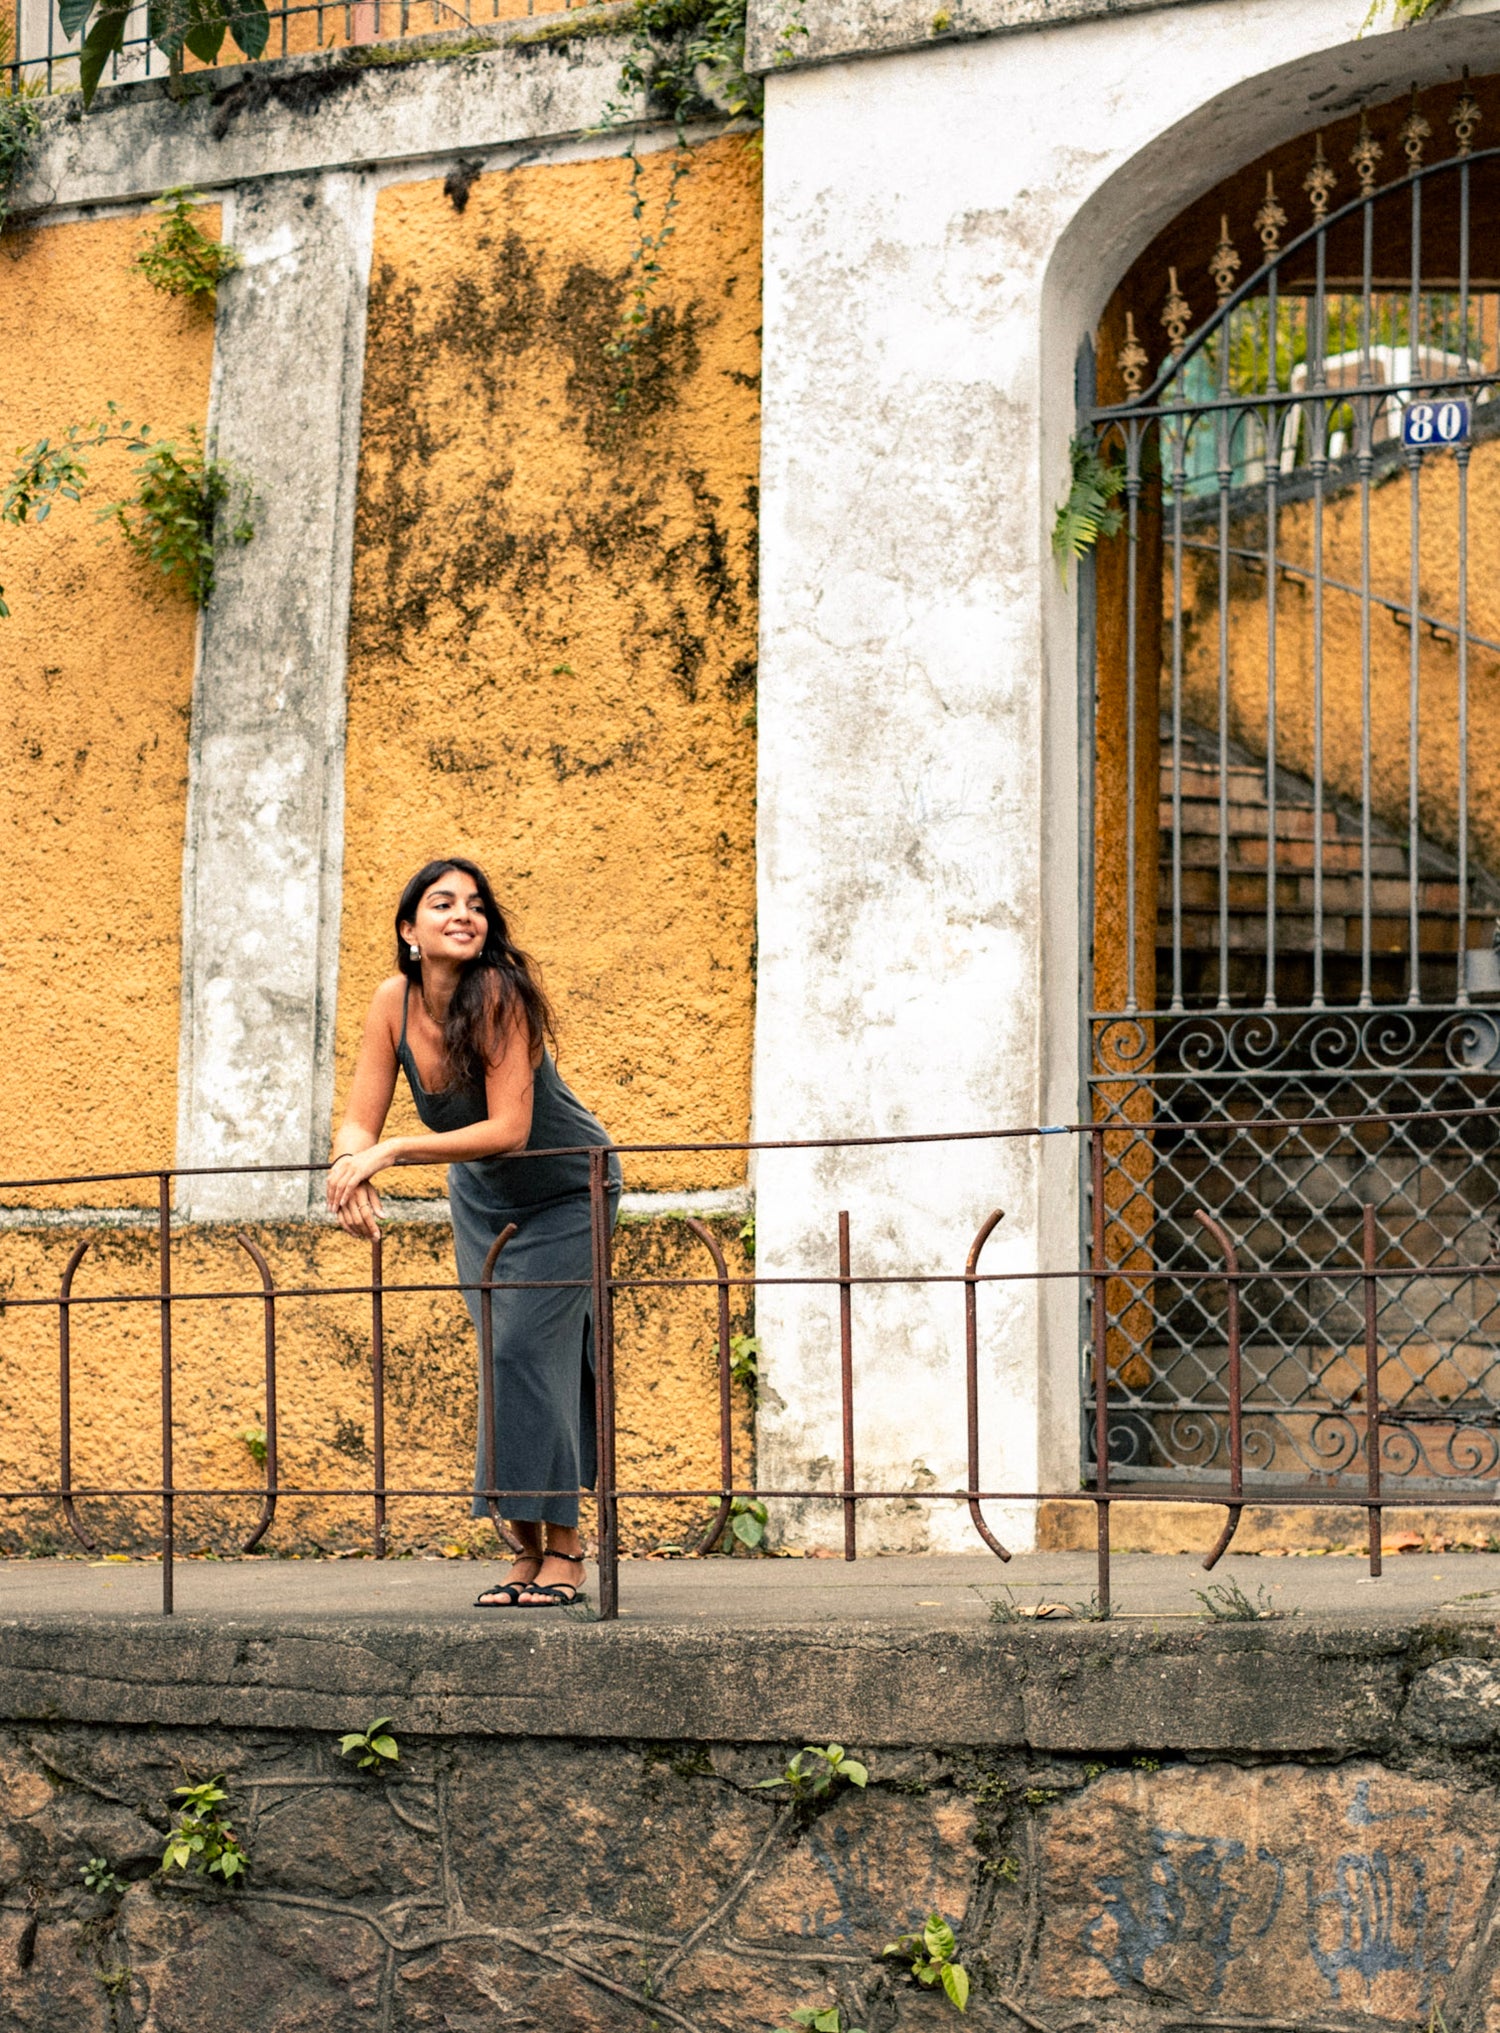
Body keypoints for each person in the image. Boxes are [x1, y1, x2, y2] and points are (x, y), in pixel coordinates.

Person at [327, 858, 621, 1607]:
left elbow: (510, 1127)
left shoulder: (500, 996)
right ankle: (524, 1550)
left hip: (566, 1188)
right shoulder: (393, 1001)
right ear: (409, 929)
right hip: (483, 1198)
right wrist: (347, 1163)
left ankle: (568, 1551)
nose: (464, 913)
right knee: (505, 1357)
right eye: (442, 902)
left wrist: (390, 1152)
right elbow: (359, 1116)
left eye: (476, 904)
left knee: (528, 1347)